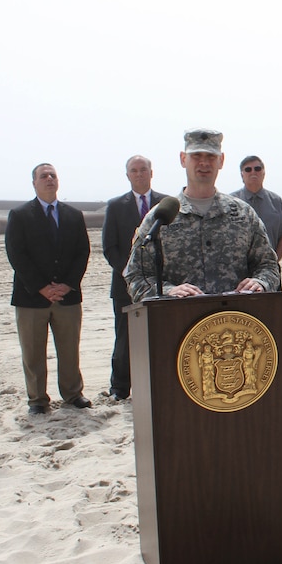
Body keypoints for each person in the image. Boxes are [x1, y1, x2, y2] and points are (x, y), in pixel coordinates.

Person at [124, 129, 280, 301]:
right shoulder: (159, 218)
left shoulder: (244, 215)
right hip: (178, 321)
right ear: (183, 159)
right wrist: (167, 291)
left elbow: (269, 266)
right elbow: (136, 277)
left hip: (235, 321)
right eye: (197, 156)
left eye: (211, 157)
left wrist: (260, 282)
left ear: (221, 161)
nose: (204, 163)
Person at [5, 164, 91, 414]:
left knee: (69, 349)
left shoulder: (74, 215)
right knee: (32, 352)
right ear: (34, 183)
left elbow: (82, 252)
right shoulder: (20, 215)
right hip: (31, 297)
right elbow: (16, 254)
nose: (49, 179)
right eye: (44, 176)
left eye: (53, 175)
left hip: (68, 296)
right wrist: (41, 287)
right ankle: (37, 400)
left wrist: (68, 284)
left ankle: (73, 394)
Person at [101, 155, 167, 401]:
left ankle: (159, 383)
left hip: (162, 284)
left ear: (151, 172)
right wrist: (130, 273)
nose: (139, 174)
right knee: (125, 338)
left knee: (159, 336)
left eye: (143, 169)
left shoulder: (167, 203)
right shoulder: (116, 206)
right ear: (127, 175)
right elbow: (110, 247)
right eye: (134, 170)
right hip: (125, 286)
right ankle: (119, 387)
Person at [231, 155, 282, 261]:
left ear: (263, 173)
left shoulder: (277, 201)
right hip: (238, 270)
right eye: (248, 169)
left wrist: (274, 262)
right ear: (242, 175)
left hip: (269, 268)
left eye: (257, 168)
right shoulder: (231, 202)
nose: (253, 172)